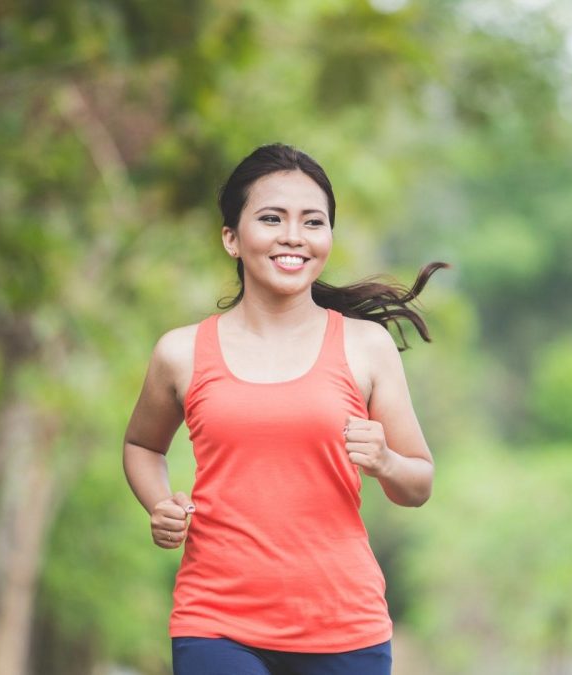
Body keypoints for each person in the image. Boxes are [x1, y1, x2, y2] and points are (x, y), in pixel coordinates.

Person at [122, 143, 445, 675]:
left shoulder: (366, 348)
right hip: (216, 623)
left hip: (344, 627)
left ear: (328, 239)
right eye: (271, 218)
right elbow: (141, 445)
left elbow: (419, 482)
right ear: (231, 237)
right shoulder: (180, 352)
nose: (293, 235)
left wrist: (386, 460)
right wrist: (159, 503)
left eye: (312, 221)